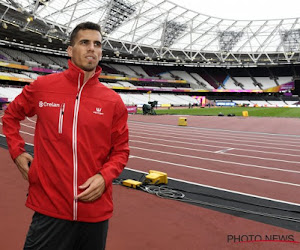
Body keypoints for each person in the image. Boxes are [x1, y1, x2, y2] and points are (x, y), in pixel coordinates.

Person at [2, 22, 129, 250]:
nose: (92, 48)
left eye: (97, 44)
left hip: (94, 213)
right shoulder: (43, 87)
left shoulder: (113, 102)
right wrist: (17, 153)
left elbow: (121, 151)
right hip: (49, 208)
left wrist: (104, 176)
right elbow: (10, 117)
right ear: (70, 50)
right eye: (84, 42)